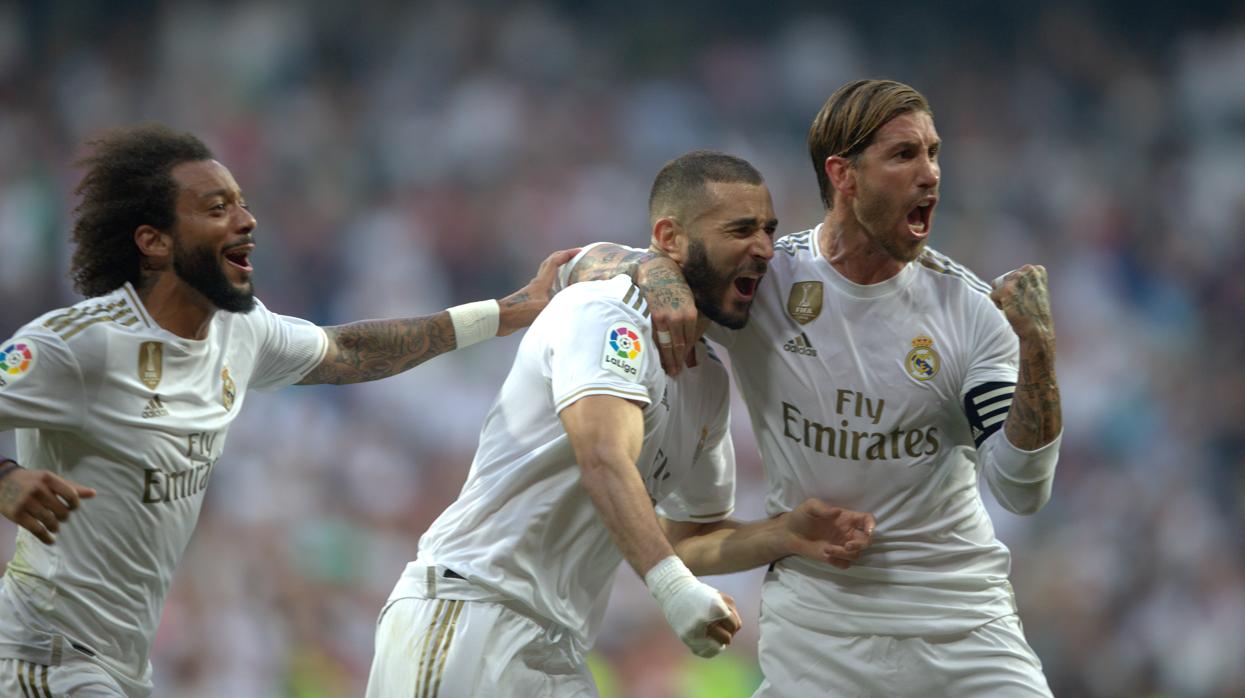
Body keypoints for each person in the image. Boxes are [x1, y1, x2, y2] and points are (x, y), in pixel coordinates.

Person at [0, 123, 578, 697]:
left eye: (242, 205)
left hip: (126, 668)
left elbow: (349, 349)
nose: (246, 221)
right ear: (155, 241)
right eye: (217, 208)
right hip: (45, 657)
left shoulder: (240, 332)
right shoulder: (78, 346)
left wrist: (504, 313)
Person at [566, 79, 1063, 696]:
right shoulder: (768, 281)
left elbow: (1021, 489)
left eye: (934, 154)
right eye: (905, 155)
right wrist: (655, 273)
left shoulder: (971, 312)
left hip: (960, 624)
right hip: (818, 630)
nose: (930, 174)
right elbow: (581, 265)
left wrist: (1038, 350)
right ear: (843, 175)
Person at [365, 151, 875, 697]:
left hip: (556, 646)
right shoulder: (605, 310)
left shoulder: (706, 382)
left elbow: (688, 536)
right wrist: (674, 590)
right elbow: (603, 457)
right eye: (741, 230)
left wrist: (783, 534)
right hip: (471, 614)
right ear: (670, 237)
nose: (764, 250)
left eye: (769, 231)